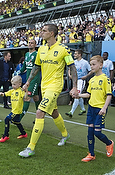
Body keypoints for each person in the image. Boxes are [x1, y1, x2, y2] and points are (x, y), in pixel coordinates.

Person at [18, 24, 78, 158]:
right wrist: (27, 82)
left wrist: (74, 86)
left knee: (40, 112)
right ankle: (65, 135)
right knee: (54, 112)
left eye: (44, 31)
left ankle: (30, 148)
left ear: (52, 33)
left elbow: (72, 68)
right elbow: (36, 67)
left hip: (55, 86)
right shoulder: (42, 49)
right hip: (44, 86)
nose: (41, 33)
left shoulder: (63, 49)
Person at [78, 55, 114, 162]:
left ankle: (109, 143)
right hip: (91, 108)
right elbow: (88, 94)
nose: (92, 67)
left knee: (97, 132)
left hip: (100, 109)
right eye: (91, 65)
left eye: (94, 64)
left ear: (101, 65)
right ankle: (91, 154)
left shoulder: (105, 79)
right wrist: (78, 95)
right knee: (90, 132)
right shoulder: (92, 79)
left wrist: (104, 108)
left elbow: (109, 95)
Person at [16, 39, 41, 120]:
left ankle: (19, 118)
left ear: (35, 45)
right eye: (29, 43)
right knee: (36, 98)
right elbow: (24, 67)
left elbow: (38, 67)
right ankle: (39, 116)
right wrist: (18, 72)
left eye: (32, 43)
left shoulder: (37, 54)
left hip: (34, 79)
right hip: (28, 78)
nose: (30, 44)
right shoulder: (26, 54)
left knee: (27, 98)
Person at [0, 76, 27, 142]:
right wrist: (2, 94)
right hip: (14, 110)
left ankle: (6, 135)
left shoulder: (21, 91)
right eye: (12, 84)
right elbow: (6, 94)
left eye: (14, 84)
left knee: (7, 119)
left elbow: (25, 97)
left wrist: (26, 90)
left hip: (16, 111)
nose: (13, 86)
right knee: (16, 122)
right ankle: (24, 133)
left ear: (19, 84)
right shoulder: (12, 91)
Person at [66, 49, 92, 118]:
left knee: (76, 94)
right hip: (75, 81)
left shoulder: (85, 62)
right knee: (79, 95)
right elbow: (69, 69)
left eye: (76, 54)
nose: (74, 55)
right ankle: (83, 109)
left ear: (79, 54)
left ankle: (71, 112)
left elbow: (91, 71)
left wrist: (86, 76)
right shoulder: (74, 62)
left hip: (81, 80)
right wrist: (69, 75)